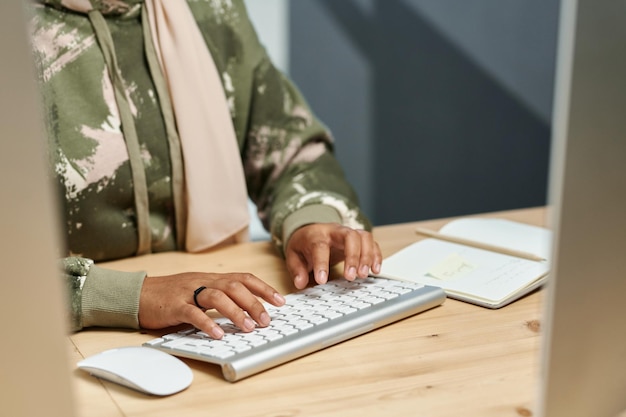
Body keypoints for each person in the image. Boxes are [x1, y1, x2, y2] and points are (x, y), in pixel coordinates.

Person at [28, 0, 382, 340]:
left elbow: (289, 152)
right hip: (51, 349)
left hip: (204, 327)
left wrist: (310, 221)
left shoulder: (210, 8)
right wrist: (131, 296)